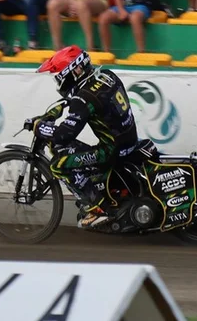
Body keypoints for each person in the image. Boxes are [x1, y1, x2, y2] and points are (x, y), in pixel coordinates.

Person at [28, 45, 142, 229]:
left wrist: (39, 128)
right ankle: (101, 188)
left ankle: (98, 208)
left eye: (60, 78)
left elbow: (64, 135)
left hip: (112, 151)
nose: (59, 83)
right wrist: (55, 111)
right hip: (128, 141)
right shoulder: (107, 75)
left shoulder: (83, 99)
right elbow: (80, 99)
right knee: (67, 150)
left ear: (74, 71)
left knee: (58, 164)